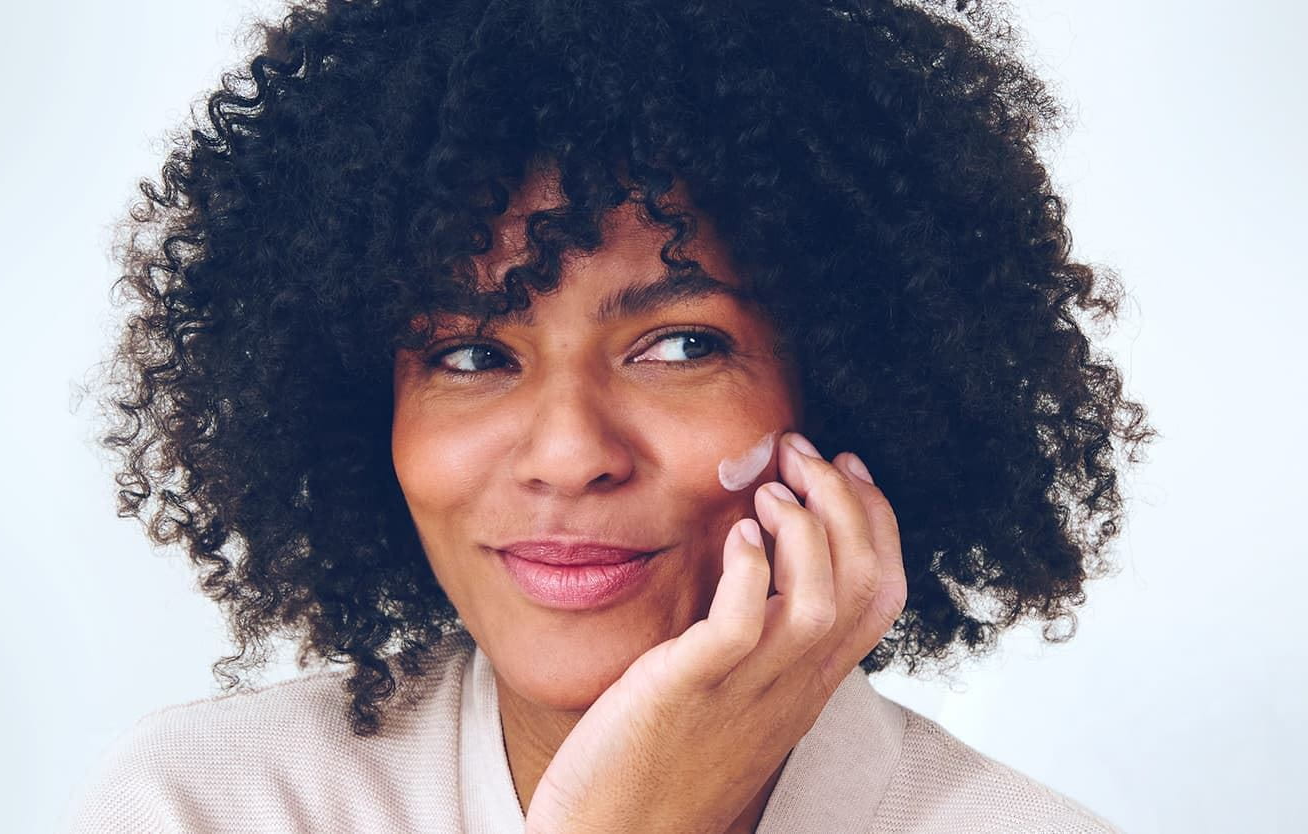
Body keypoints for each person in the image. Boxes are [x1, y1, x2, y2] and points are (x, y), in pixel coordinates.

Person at [64, 0, 1154, 830]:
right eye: (472, 352)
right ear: (364, 415)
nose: (572, 453)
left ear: (851, 392)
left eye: (682, 345)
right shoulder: (215, 805)